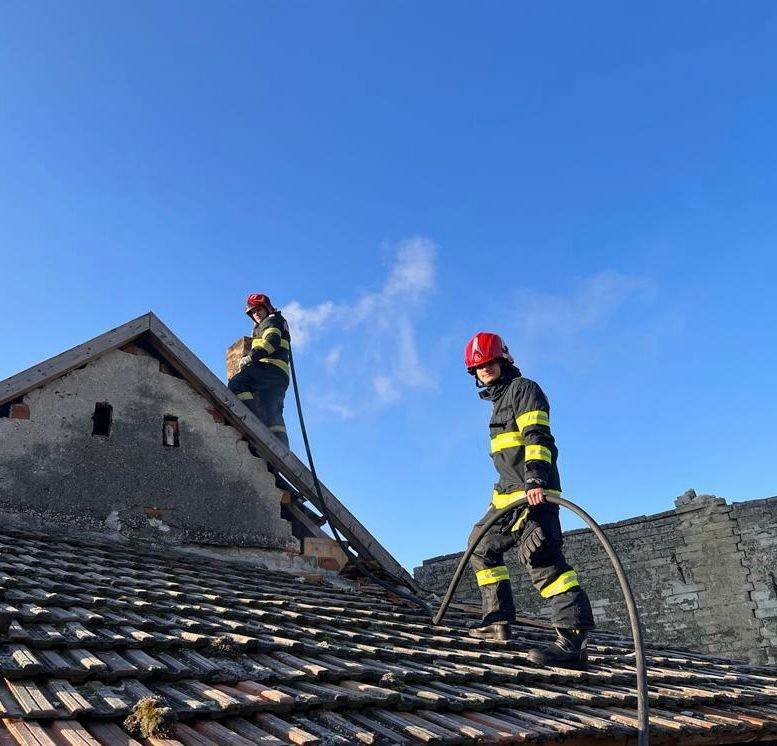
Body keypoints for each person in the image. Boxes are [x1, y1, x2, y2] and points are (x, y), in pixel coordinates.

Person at [463, 331, 595, 667]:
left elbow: (538, 438)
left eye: (489, 362)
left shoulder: (524, 391)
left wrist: (536, 478)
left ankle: (572, 644)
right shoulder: (499, 401)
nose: (485, 369)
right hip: (507, 499)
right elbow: (507, 463)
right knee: (480, 546)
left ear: (504, 360)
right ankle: (497, 622)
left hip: (534, 496)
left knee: (544, 563)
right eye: (478, 366)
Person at [228, 293, 291, 447]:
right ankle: (281, 454)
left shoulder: (270, 321)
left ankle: (253, 420)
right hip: (280, 375)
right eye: (252, 312)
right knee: (273, 414)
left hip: (269, 367)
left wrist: (250, 357)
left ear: (266, 308)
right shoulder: (276, 321)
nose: (255, 314)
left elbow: (272, 342)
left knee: (237, 383)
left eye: (258, 310)